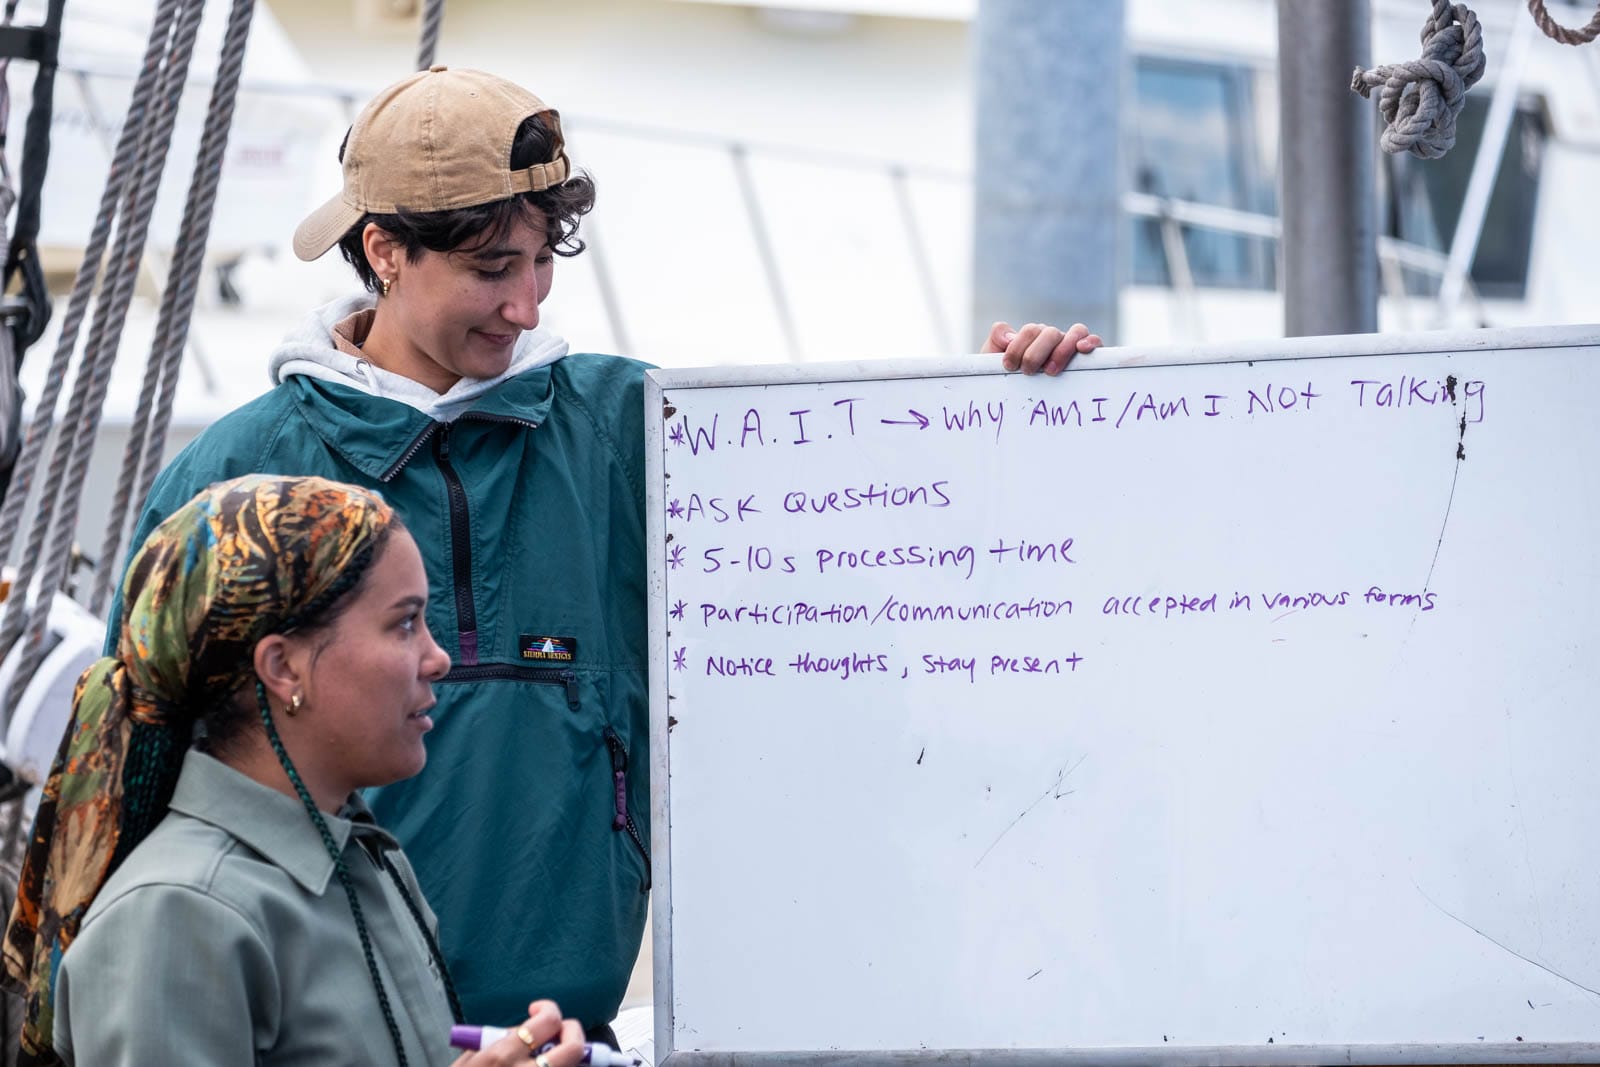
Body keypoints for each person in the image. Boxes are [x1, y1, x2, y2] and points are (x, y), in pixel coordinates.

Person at [106, 66, 1104, 1032]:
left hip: (567, 1037)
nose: (528, 304)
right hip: (326, 1040)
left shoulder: (640, 427)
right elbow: (130, 778)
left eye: (542, 261)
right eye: (493, 268)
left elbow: (869, 538)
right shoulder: (231, 478)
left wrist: (999, 413)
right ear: (385, 249)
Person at [3, 474, 588, 1066]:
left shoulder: (363, 859)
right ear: (282, 667)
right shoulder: (178, 914)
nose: (438, 659)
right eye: (405, 623)